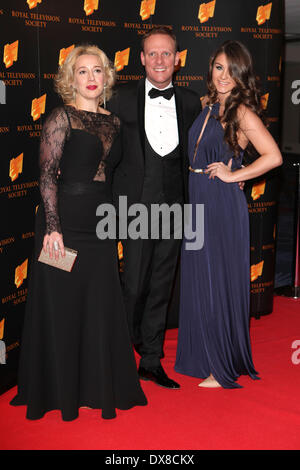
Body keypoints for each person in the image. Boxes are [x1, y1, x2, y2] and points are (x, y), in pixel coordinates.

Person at [10, 45, 147, 420]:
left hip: (100, 226)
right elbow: (48, 176)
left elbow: (114, 177)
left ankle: (94, 386)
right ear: (71, 79)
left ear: (107, 77)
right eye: (82, 71)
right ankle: (59, 390)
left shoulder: (115, 122)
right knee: (62, 305)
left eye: (97, 71)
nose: (90, 78)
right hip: (64, 223)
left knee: (99, 304)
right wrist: (53, 229)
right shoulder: (60, 117)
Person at [175, 40, 283, 388]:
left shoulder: (240, 112)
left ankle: (220, 367)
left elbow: (273, 156)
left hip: (220, 203)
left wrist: (234, 175)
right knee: (199, 280)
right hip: (198, 199)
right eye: (218, 67)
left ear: (241, 75)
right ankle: (202, 356)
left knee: (217, 279)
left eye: (230, 70)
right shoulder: (209, 105)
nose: (223, 76)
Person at [107, 27, 201, 389]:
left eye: (167, 54)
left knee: (162, 286)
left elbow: (206, 148)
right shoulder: (120, 99)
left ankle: (150, 359)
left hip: (175, 209)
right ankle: (120, 353)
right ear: (142, 58)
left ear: (177, 60)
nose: (160, 60)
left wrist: (234, 173)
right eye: (153, 54)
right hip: (133, 211)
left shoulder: (192, 102)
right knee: (132, 287)